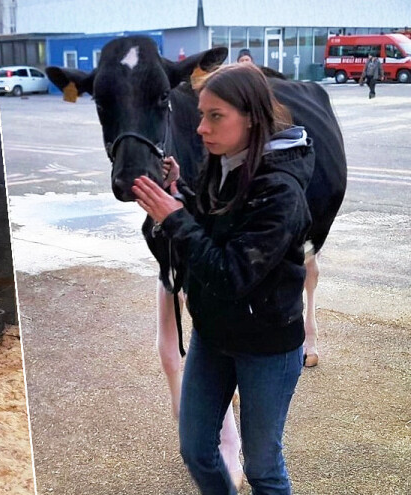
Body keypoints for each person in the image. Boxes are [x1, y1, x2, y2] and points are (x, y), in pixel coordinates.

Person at [132, 63, 311, 495]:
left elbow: (231, 274)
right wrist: (180, 195)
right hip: (213, 335)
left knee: (263, 468)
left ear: (250, 117)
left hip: (267, 344)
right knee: (196, 450)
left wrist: (176, 218)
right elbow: (212, 228)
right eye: (201, 115)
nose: (201, 129)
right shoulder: (222, 164)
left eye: (215, 116)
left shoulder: (280, 190)